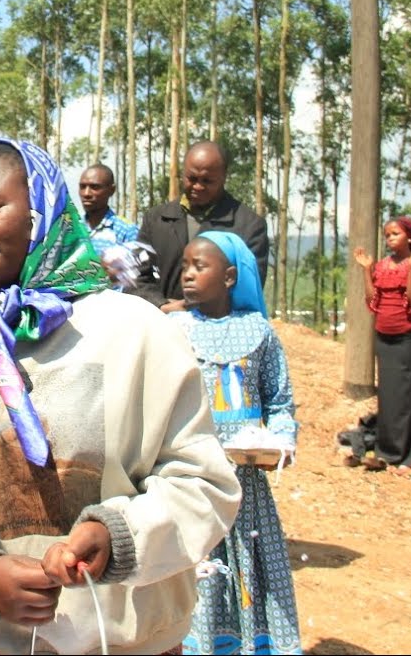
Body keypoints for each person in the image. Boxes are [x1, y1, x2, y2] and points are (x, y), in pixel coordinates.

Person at [0, 138, 241, 655]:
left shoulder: (135, 333)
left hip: (124, 642)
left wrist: (120, 537)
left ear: (42, 210)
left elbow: (202, 482)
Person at [167, 233, 302, 655]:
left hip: (247, 489)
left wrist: (279, 443)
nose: (187, 274)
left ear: (229, 277)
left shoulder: (259, 333)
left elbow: (279, 400)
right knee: (201, 570)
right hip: (193, 483)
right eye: (185, 265)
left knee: (249, 568)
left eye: (199, 266)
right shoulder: (174, 331)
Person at [128, 141, 268, 311]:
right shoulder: (156, 220)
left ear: (224, 177)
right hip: (161, 325)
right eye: (192, 179)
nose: (198, 187)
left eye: (207, 181)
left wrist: (194, 308)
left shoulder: (249, 226)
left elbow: (249, 285)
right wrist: (163, 305)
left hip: (222, 330)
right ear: (182, 173)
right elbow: (136, 277)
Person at [351, 216, 411, 471]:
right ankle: (388, 449)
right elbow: (372, 301)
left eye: (395, 233)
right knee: (388, 394)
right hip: (383, 336)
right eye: (387, 235)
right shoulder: (382, 266)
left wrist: (410, 267)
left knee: (408, 393)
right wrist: (366, 269)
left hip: (407, 337)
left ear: (409, 236)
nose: (390, 238)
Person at [78, 163, 137, 256]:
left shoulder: (127, 231)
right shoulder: (71, 229)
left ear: (112, 190)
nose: (86, 193)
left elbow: (136, 268)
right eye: (82, 187)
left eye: (95, 187)